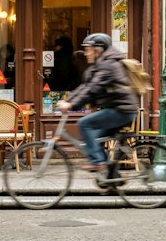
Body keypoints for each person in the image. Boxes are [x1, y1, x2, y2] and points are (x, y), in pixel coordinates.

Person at [57, 32, 139, 182]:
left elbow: (92, 89)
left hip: (121, 110)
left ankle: (98, 162)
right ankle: (112, 178)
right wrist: (68, 100)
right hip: (118, 109)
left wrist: (71, 105)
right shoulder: (101, 65)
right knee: (94, 139)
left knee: (84, 124)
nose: (85, 53)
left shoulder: (108, 65)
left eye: (88, 49)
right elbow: (84, 87)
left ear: (98, 50)